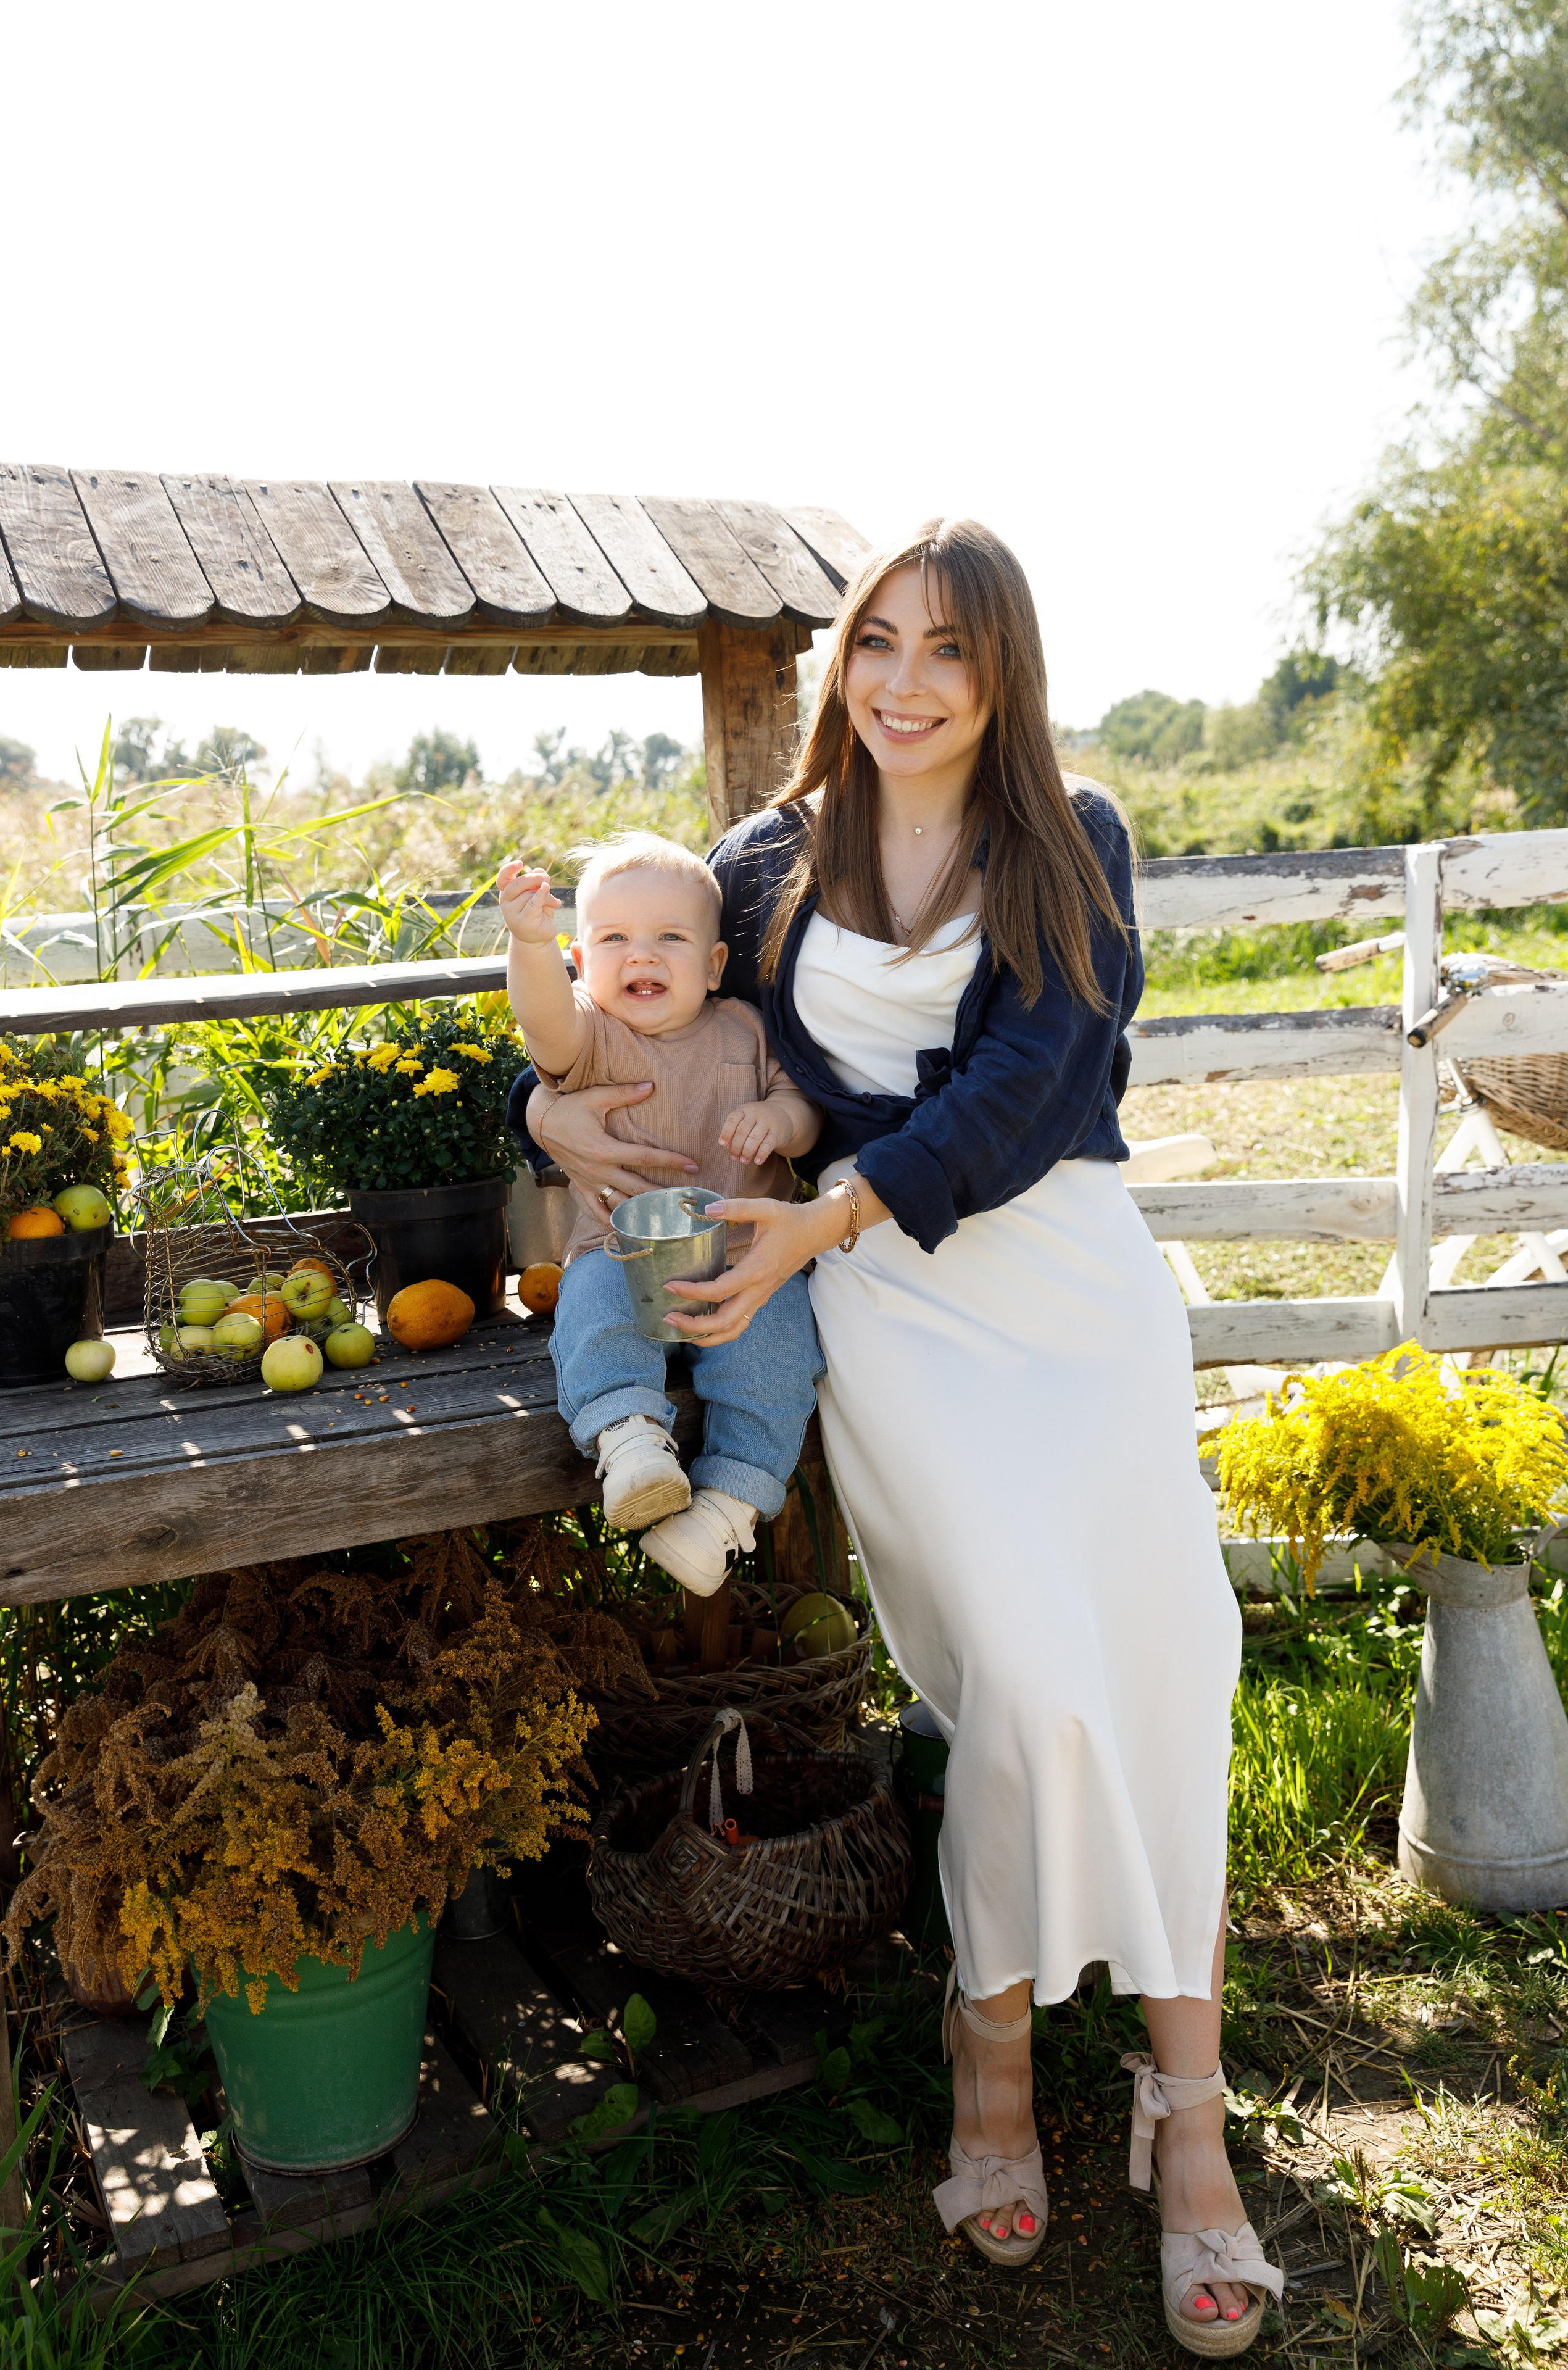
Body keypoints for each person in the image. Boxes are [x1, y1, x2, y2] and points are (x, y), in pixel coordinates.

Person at [511, 520, 1281, 2353]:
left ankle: (1191, 2114)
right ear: (839, 660)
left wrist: (828, 1212)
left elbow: (1043, 1083)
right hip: (895, 1317)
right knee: (1020, 1678)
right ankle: (989, 2039)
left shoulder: (1064, 834)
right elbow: (633, 1013)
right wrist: (556, 1119)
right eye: (879, 643)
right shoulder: (760, 859)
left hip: (1065, 1292)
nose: (908, 682)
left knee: (1172, 1658)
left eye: (949, 649)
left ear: (1001, 672)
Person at [497, 831, 824, 1594]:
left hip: (749, 1258)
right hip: (622, 1251)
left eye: (669, 939)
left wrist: (780, 1121)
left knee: (776, 1363)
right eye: (613, 939)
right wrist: (531, 945)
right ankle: (630, 1440)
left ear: (713, 966)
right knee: (593, 1308)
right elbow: (542, 1019)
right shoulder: (590, 1037)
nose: (640, 956)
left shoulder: (746, 1027)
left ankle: (726, 1511)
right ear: (582, 963)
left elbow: (801, 1104)